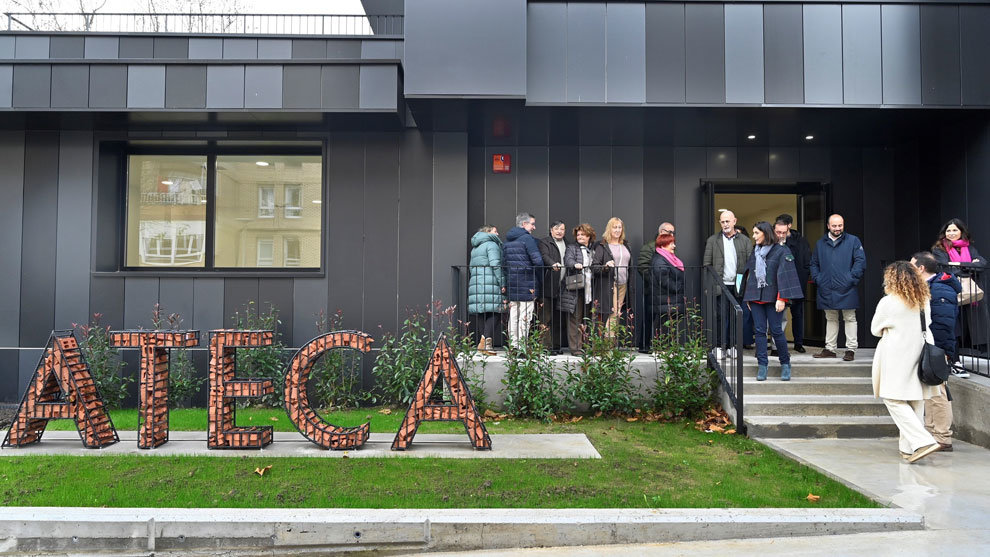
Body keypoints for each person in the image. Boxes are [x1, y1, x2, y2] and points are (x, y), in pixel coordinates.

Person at [870, 261, 941, 464]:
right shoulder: (923, 299)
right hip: (919, 351)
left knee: (892, 398)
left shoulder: (889, 302)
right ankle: (908, 449)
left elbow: (875, 329)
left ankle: (922, 441)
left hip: (896, 354)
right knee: (915, 399)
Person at [912, 251, 961, 452]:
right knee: (931, 392)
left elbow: (942, 324)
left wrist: (936, 350)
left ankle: (942, 437)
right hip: (932, 347)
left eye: (912, 266)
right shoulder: (931, 287)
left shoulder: (939, 289)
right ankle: (932, 433)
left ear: (921, 268)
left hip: (937, 348)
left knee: (939, 392)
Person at [743, 222, 804, 381]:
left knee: (777, 331)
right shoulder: (755, 251)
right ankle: (762, 365)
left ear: (765, 233)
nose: (754, 236)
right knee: (760, 331)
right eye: (753, 233)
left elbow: (786, 276)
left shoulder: (782, 250)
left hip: (774, 298)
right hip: (756, 298)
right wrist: (748, 297)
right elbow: (750, 274)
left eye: (756, 233)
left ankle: (785, 363)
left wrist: (782, 298)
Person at [932, 218, 988, 375]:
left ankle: (958, 359)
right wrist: (970, 265)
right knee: (953, 328)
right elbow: (947, 269)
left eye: (955, 230)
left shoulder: (970, 248)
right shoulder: (939, 250)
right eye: (948, 230)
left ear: (962, 232)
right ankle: (954, 360)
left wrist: (959, 265)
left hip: (970, 296)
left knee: (969, 327)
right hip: (951, 294)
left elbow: (982, 264)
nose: (951, 233)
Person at [810, 214, 866, 361]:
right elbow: (814, 263)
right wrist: (818, 279)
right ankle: (830, 349)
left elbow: (860, 261)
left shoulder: (853, 240)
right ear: (828, 226)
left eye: (840, 225)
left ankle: (851, 350)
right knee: (830, 317)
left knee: (850, 318)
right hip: (826, 287)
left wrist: (851, 278)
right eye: (834, 226)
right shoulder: (820, 243)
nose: (837, 228)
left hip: (847, 287)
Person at [703, 210, 754, 349]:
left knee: (736, 317)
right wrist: (708, 285)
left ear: (734, 221)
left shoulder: (745, 241)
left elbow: (751, 265)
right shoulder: (713, 240)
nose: (725, 224)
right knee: (721, 316)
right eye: (722, 221)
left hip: (738, 284)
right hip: (720, 284)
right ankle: (721, 346)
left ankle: (732, 347)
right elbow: (707, 265)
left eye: (727, 221)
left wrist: (750, 287)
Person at [561, 223, 613, 355]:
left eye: (583, 235)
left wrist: (606, 266)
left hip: (592, 287)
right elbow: (568, 260)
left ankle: (588, 346)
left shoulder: (595, 248)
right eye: (578, 235)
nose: (580, 237)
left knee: (590, 318)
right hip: (576, 288)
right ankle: (576, 348)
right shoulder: (572, 247)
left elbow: (597, 265)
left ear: (589, 236)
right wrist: (575, 264)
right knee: (575, 319)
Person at [503, 213, 544, 347]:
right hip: (527, 282)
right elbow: (537, 261)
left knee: (514, 314)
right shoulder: (527, 239)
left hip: (512, 282)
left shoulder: (508, 240)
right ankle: (522, 347)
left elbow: (504, 263)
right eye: (532, 224)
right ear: (524, 224)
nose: (534, 227)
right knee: (525, 316)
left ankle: (513, 345)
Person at [774, 215, 812, 353]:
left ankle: (798, 343)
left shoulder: (801, 241)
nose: (781, 235)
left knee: (798, 315)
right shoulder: (773, 242)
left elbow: (807, 262)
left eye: (783, 232)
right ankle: (777, 346)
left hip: (798, 283)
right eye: (778, 232)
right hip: (779, 285)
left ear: (789, 226)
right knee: (779, 316)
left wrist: (802, 280)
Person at [467, 226, 505, 355]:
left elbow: (471, 268)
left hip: (477, 282)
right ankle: (484, 343)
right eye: (495, 231)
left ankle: (484, 345)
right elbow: (496, 265)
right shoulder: (491, 244)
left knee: (482, 313)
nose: (498, 233)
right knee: (496, 312)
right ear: (487, 233)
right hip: (491, 282)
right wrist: (502, 282)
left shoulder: (475, 247)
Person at [638, 223, 675, 352]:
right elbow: (643, 267)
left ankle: (663, 345)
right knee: (648, 317)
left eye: (673, 232)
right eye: (669, 231)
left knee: (665, 318)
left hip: (666, 291)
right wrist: (657, 282)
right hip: (652, 289)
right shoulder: (649, 247)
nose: (671, 234)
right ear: (661, 231)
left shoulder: (670, 247)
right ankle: (644, 345)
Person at [538, 221, 570, 354]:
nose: (559, 231)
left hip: (563, 287)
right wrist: (552, 264)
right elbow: (544, 256)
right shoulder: (545, 242)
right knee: (545, 318)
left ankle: (556, 347)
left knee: (558, 319)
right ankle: (545, 347)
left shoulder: (567, 243)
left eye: (562, 229)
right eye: (557, 229)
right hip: (548, 285)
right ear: (551, 230)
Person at [650, 232, 685, 343]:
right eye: (671, 243)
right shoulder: (660, 260)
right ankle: (661, 349)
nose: (674, 246)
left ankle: (666, 348)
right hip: (665, 299)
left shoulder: (668, 258)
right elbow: (663, 279)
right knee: (664, 325)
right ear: (663, 245)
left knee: (669, 325)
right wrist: (677, 287)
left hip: (669, 299)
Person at [603, 217, 633, 338]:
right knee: (614, 312)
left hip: (624, 283)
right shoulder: (605, 245)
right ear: (609, 229)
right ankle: (607, 344)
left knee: (618, 313)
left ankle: (611, 342)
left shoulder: (625, 244)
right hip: (612, 282)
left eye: (619, 227)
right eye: (614, 227)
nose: (617, 230)